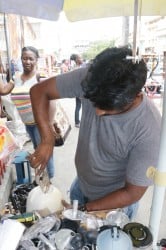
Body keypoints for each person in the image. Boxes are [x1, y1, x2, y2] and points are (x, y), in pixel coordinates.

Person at [29, 47, 161, 219]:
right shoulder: (94, 79)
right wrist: (47, 140)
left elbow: (132, 193)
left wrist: (83, 210)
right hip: (81, 186)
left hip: (112, 207)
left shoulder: (149, 130)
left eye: (107, 109)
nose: (97, 112)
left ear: (133, 97)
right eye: (93, 102)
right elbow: (39, 91)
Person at [11, 46, 55, 179]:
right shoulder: (17, 77)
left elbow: (53, 101)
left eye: (31, 58)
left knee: (45, 151)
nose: (27, 61)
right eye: (25, 58)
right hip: (28, 123)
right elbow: (4, 90)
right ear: (21, 60)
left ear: (36, 60)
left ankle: (49, 180)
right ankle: (44, 179)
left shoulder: (40, 76)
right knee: (38, 150)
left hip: (40, 123)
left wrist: (49, 124)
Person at [70, 53, 83, 128]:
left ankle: (77, 121)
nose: (81, 59)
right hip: (79, 90)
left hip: (80, 90)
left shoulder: (78, 67)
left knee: (79, 106)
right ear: (76, 60)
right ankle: (77, 122)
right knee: (78, 106)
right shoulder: (76, 68)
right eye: (80, 58)